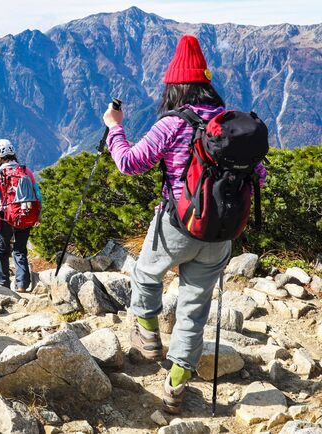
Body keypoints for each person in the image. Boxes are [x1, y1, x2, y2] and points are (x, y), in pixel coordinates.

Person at [103, 35, 266, 414]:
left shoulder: (172, 124)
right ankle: (176, 385)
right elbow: (257, 172)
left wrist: (114, 127)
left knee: (146, 273)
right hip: (220, 234)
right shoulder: (231, 127)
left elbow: (129, 163)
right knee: (194, 309)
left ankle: (147, 336)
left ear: (175, 86)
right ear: (207, 84)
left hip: (176, 225)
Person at [0, 139, 42, 293]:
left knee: (2, 250)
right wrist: (38, 215)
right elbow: (38, 195)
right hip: (25, 214)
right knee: (20, 250)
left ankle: (3, 284)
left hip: (5, 218)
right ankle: (22, 284)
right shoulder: (26, 171)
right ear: (13, 154)